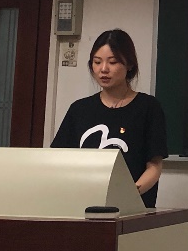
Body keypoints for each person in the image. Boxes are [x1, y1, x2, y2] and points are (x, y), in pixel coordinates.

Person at [51, 29, 168, 208]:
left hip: (132, 209)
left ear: (129, 64)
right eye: (97, 62)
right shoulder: (79, 109)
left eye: (112, 62)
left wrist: (128, 194)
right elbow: (60, 160)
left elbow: (154, 166)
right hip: (83, 206)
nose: (103, 69)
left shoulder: (148, 107)